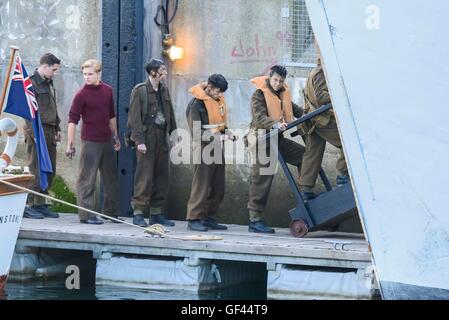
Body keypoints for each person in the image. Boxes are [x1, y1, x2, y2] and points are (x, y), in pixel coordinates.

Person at [246, 65, 305, 234]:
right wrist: (276, 124)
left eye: (281, 81)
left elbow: (293, 108)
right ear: (269, 77)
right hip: (262, 139)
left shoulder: (281, 93)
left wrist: (308, 114)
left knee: (304, 156)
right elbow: (259, 118)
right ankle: (254, 220)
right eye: (275, 80)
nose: (278, 83)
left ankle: (306, 192)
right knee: (262, 178)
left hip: (277, 139)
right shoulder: (258, 95)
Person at [66, 59, 122, 225]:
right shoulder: (81, 95)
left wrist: (116, 136)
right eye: (84, 74)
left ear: (99, 73)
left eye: (90, 74)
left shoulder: (107, 91)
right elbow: (72, 120)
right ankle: (86, 215)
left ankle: (111, 212)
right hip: (90, 141)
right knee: (86, 179)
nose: (87, 77)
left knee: (111, 178)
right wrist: (70, 143)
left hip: (106, 140)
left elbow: (111, 115)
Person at [127, 59, 177, 228]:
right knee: (144, 176)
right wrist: (139, 141)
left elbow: (170, 113)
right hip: (147, 137)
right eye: (162, 70)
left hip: (161, 137)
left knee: (162, 176)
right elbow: (134, 119)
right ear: (153, 72)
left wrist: (173, 133)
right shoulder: (140, 91)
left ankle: (156, 213)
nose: (165, 72)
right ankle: (138, 212)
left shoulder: (164, 89)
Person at [185, 74, 237, 232]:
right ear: (210, 87)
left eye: (221, 92)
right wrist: (219, 136)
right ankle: (193, 218)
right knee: (201, 185)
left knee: (218, 185)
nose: (220, 95)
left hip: (217, 147)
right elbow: (196, 132)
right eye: (218, 91)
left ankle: (208, 217)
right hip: (203, 148)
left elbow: (220, 125)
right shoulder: (196, 105)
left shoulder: (217, 102)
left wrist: (228, 133)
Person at [298, 47, 349, 200]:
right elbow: (320, 96)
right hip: (320, 120)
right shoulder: (321, 72)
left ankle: (306, 190)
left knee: (312, 154)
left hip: (314, 120)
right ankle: (343, 176)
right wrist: (339, 93)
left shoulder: (317, 71)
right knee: (348, 143)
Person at [24, 53, 62, 219]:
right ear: (45, 66)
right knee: (36, 167)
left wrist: (58, 127)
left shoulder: (48, 82)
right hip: (37, 130)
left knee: (49, 168)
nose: (55, 73)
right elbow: (27, 111)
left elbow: (52, 106)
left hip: (50, 130)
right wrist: (33, 132)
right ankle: (29, 204)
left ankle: (40, 203)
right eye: (53, 69)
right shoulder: (31, 83)